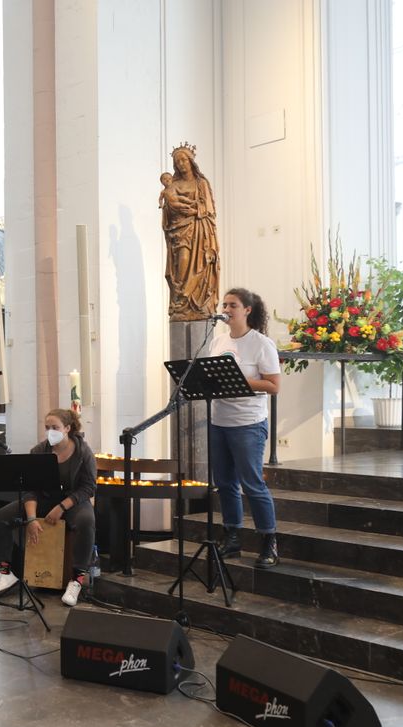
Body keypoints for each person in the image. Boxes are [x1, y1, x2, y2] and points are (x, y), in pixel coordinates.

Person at [0, 409, 97, 607]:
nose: (50, 432)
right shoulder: (39, 451)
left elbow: (89, 487)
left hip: (73, 501)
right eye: (47, 428)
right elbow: (31, 489)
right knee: (1, 517)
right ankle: (5, 573)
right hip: (44, 499)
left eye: (55, 427)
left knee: (86, 521)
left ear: (67, 428)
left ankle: (77, 579)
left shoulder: (83, 452)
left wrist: (62, 507)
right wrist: (31, 518)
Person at [209, 288, 281, 568]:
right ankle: (233, 537)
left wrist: (236, 379)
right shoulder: (218, 340)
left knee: (252, 483)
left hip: (248, 423)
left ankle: (269, 542)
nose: (226, 309)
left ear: (247, 310)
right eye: (224, 304)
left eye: (233, 305)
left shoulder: (261, 343)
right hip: (219, 421)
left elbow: (273, 385)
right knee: (225, 483)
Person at [162, 143, 220, 321]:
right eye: (177, 161)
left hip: (200, 231)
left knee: (199, 265)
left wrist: (194, 211)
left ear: (191, 161)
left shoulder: (201, 183)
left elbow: (209, 209)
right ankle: (181, 300)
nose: (181, 164)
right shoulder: (173, 184)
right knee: (182, 263)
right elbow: (167, 210)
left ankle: (195, 301)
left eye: (183, 160)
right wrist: (172, 208)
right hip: (179, 231)